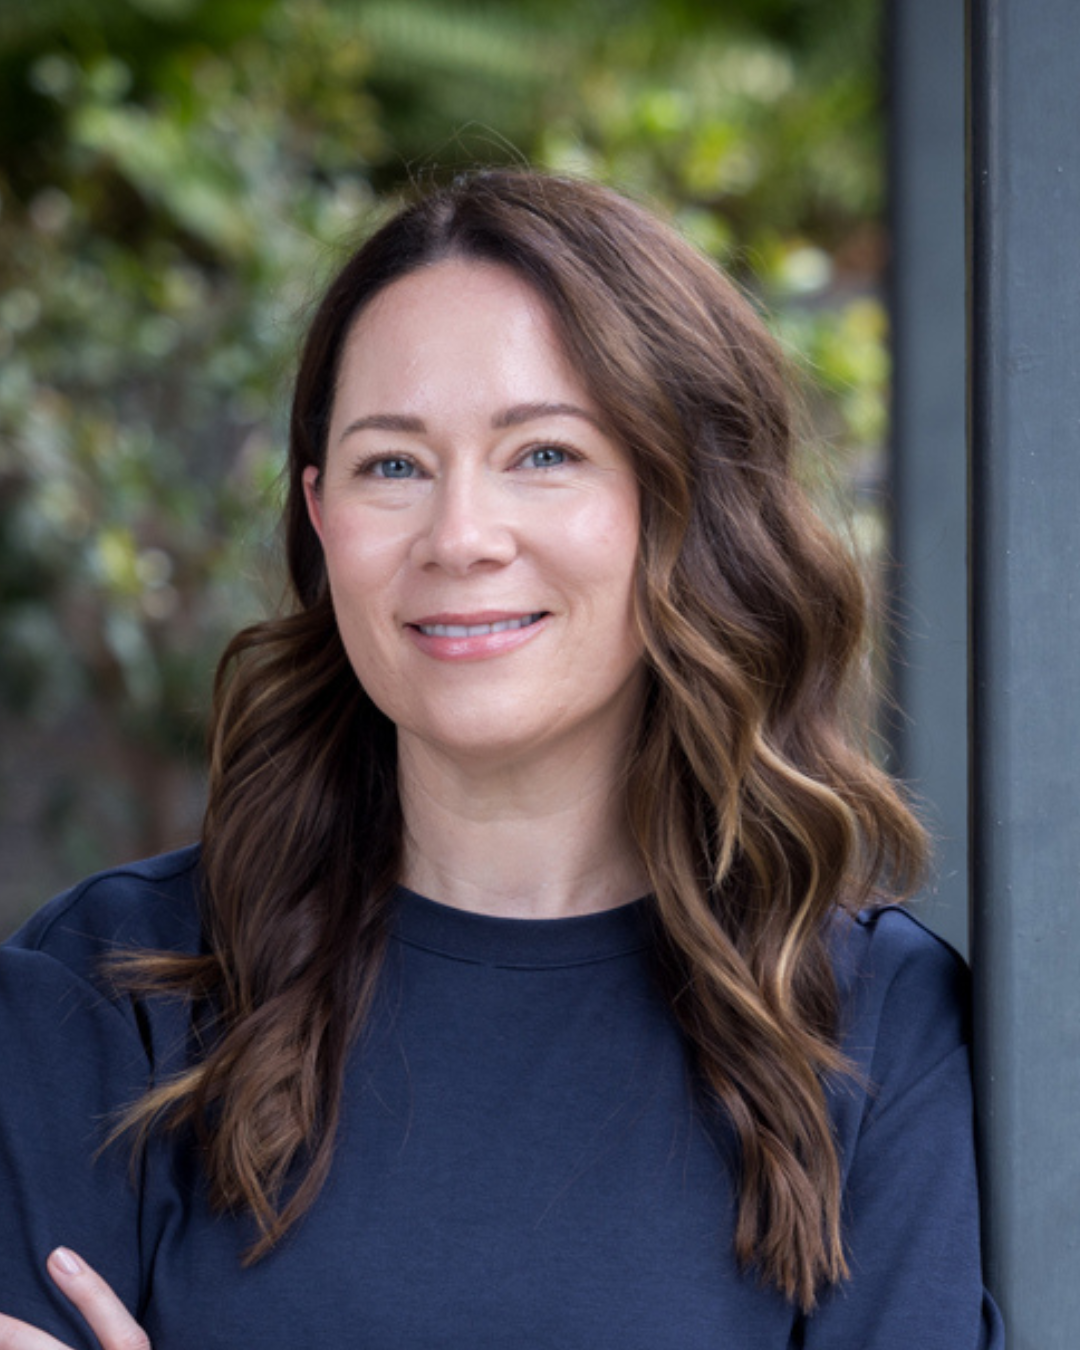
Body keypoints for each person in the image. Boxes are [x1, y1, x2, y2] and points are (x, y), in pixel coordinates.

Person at [0, 169, 1004, 1349]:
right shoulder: (113, 996)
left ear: (687, 504)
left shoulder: (866, 1027)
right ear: (322, 521)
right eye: (392, 466)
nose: (460, 536)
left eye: (544, 454)